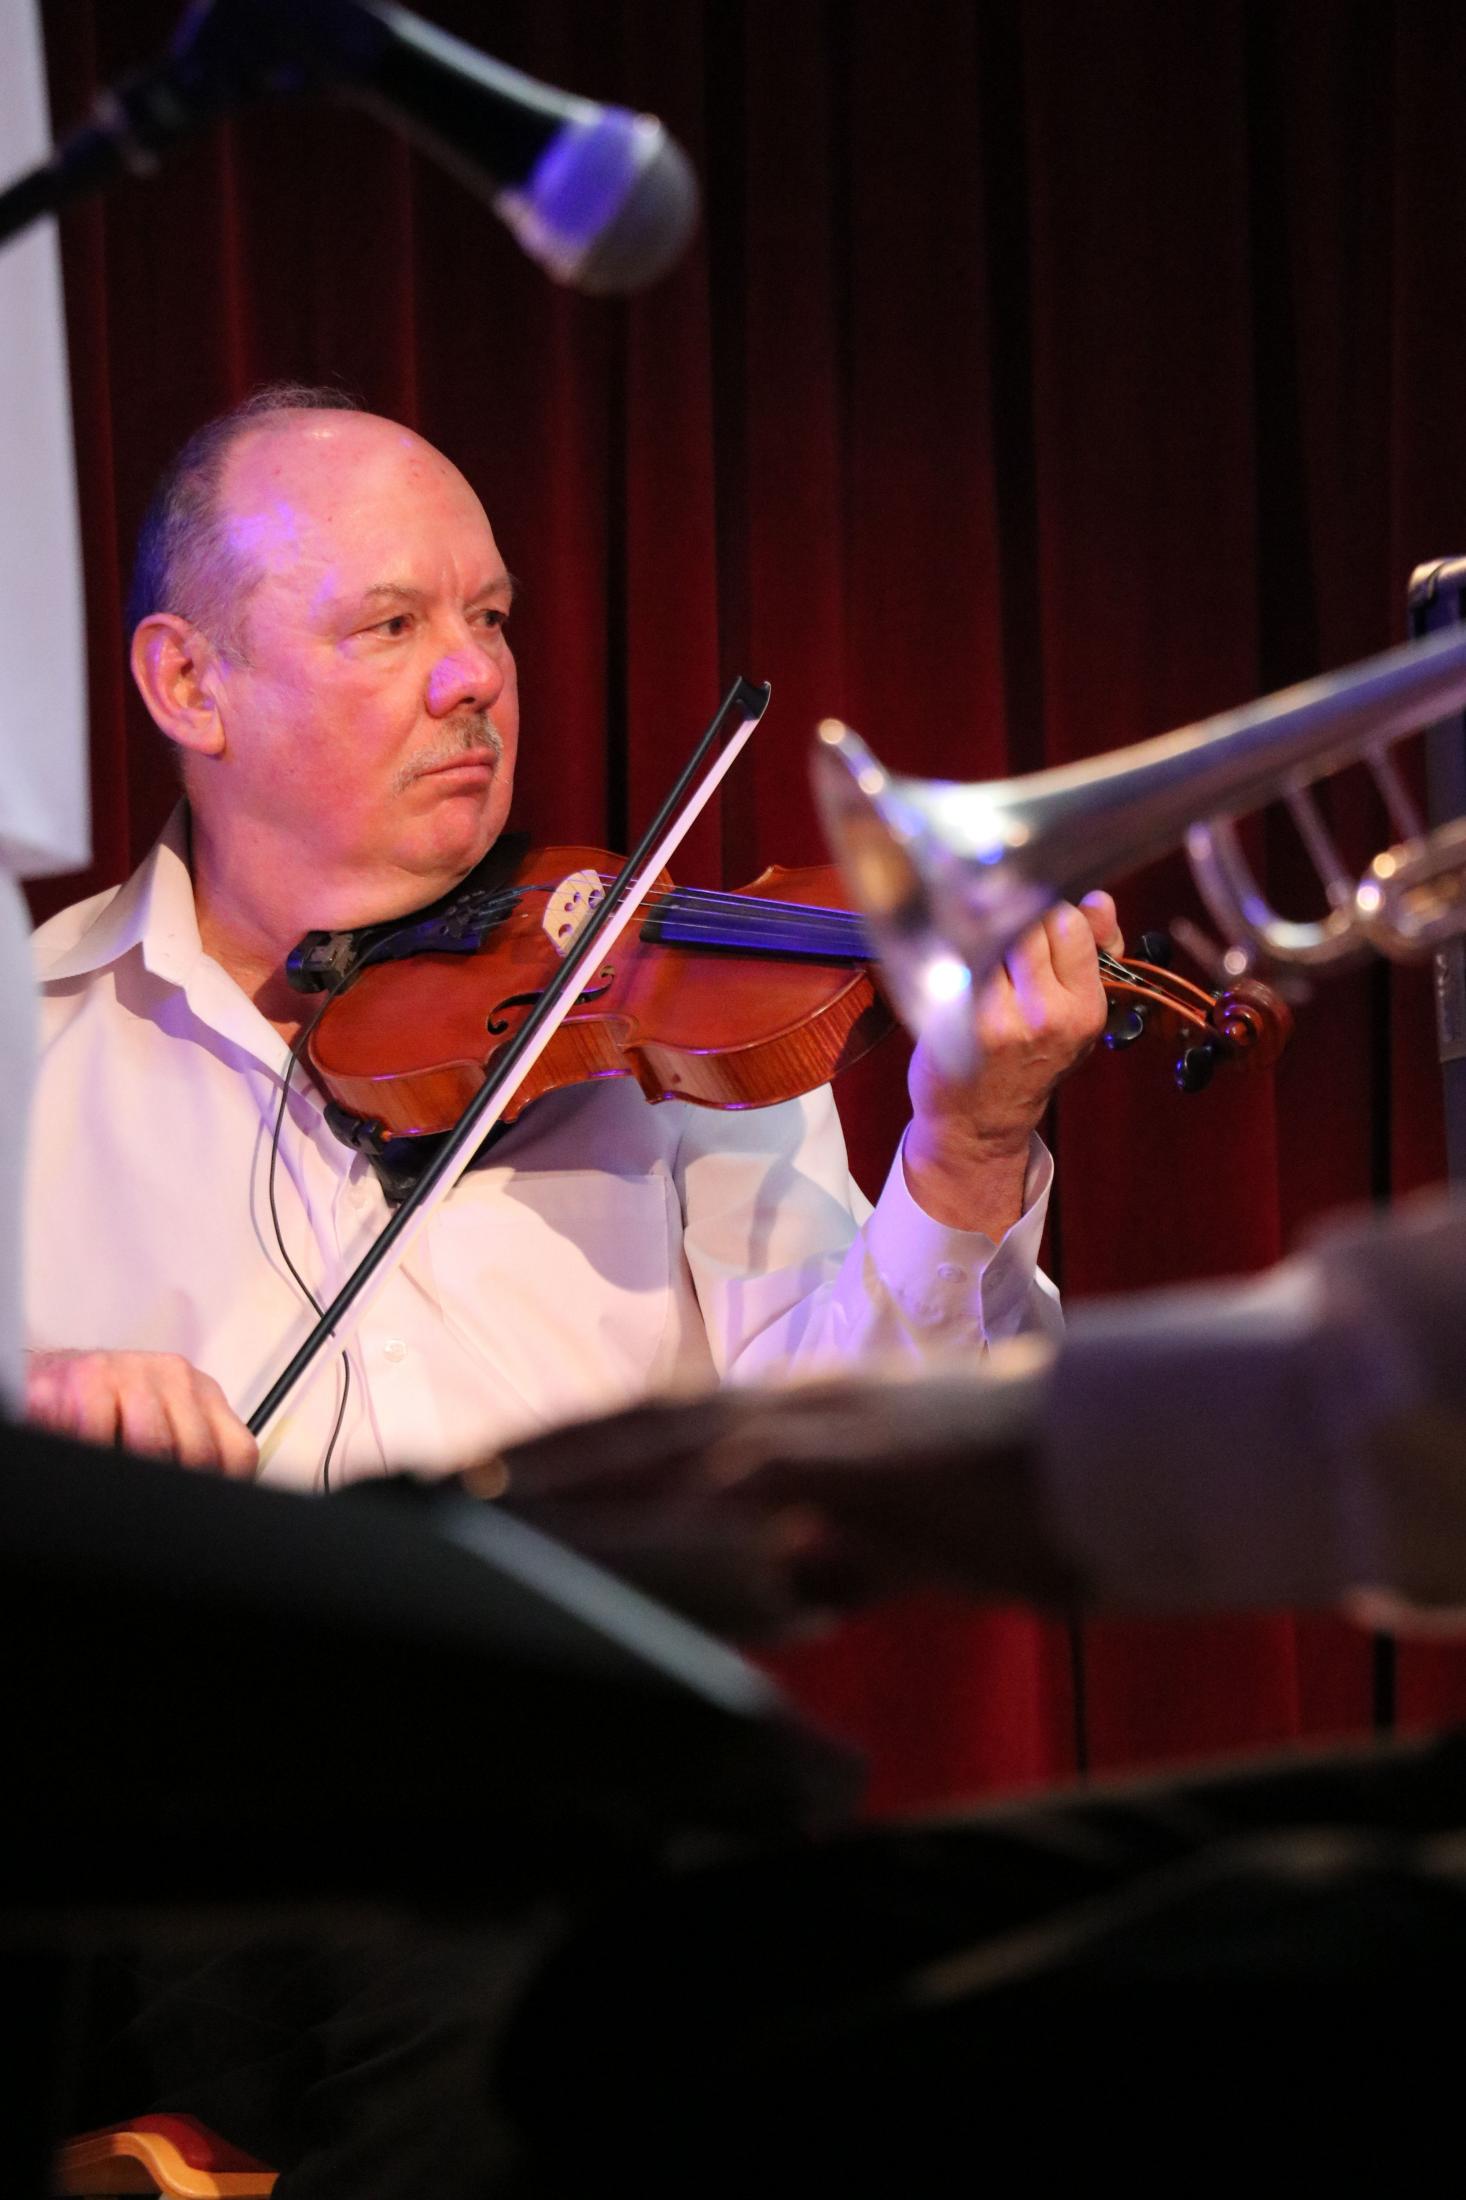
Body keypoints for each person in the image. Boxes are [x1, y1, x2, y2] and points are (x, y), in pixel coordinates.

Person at [23, 383, 1118, 1488]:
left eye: (489, 618)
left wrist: (967, 1151)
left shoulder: (659, 1008)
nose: (477, 675)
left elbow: (869, 1467)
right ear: (188, 683)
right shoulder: (31, 1048)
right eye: (391, 625)